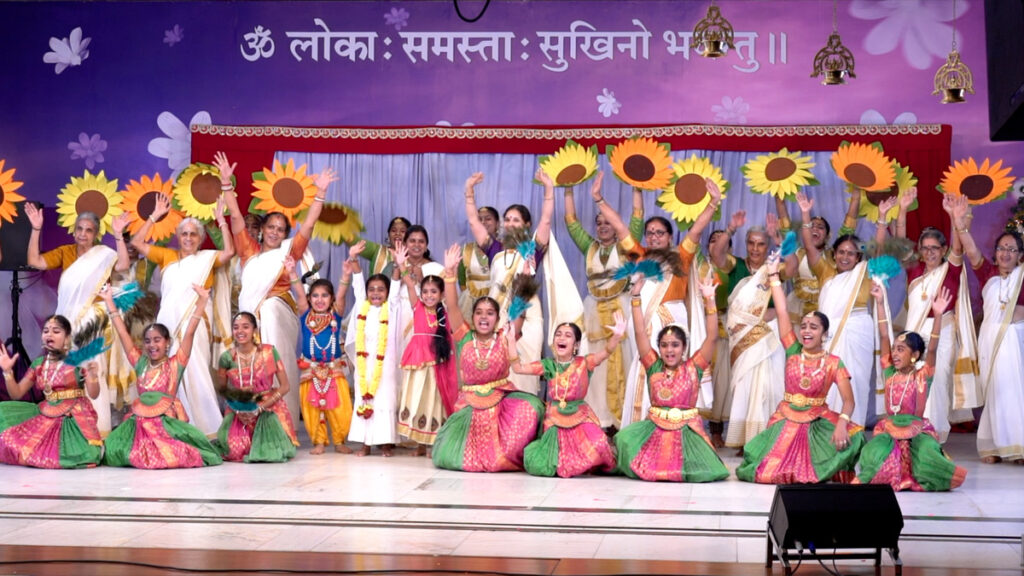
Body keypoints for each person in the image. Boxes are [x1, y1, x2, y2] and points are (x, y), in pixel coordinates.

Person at [216, 151, 336, 425]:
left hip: (279, 310)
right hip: (249, 320)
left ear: (285, 234)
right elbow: (235, 215)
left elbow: (308, 223)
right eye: (271, 227)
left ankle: (282, 422)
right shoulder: (249, 251)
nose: (274, 232)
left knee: (269, 309)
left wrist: (320, 193)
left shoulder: (288, 250)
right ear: (262, 230)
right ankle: (246, 419)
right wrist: (226, 184)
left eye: (281, 229)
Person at [595, 179, 718, 427]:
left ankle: (674, 426)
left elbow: (696, 230)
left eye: (659, 233)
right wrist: (598, 198)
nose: (653, 237)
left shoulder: (681, 256)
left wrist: (713, 203)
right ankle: (641, 429)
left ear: (670, 237)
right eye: (649, 233)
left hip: (672, 321)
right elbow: (619, 226)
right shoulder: (639, 256)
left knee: (673, 368)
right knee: (644, 369)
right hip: (644, 324)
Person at [737, 253, 864, 484]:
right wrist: (774, 274)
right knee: (764, 470)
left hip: (817, 421)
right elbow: (783, 312)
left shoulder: (834, 362)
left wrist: (842, 425)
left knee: (855, 438)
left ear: (824, 334)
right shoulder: (793, 350)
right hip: (786, 417)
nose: (806, 331)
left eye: (813, 327)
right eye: (804, 326)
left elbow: (849, 401)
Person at [127, 193, 234, 437]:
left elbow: (229, 251)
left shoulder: (207, 259)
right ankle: (171, 423)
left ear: (200, 239)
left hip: (195, 325)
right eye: (184, 234)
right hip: (167, 324)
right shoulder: (167, 256)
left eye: (193, 234)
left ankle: (206, 428)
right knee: (167, 373)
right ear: (178, 237)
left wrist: (221, 221)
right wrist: (154, 216)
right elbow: (136, 241)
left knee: (195, 371)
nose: (188, 238)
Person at [432, 244, 544, 472]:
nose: (484, 317)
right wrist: (450, 274)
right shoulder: (464, 336)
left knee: (533, 407)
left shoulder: (505, 336)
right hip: (470, 403)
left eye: (490, 313)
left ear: (497, 318)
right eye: (479, 313)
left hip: (501, 401)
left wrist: (524, 277)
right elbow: (452, 306)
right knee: (447, 456)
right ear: (472, 317)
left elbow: (518, 310)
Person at [614, 272, 729, 482]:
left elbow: (712, 337)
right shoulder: (653, 365)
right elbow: (640, 333)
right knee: (623, 441)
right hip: (655, 429)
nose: (669, 350)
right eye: (664, 345)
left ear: (684, 348)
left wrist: (710, 299)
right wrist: (636, 298)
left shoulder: (694, 367)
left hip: (687, 433)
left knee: (704, 470)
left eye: (675, 345)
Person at [25, 205, 129, 435]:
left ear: (96, 234)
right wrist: (35, 229)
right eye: (79, 229)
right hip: (66, 324)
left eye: (89, 230)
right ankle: (69, 427)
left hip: (91, 325)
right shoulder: (65, 252)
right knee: (67, 373)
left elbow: (123, 266)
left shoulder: (104, 256)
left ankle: (97, 429)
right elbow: (35, 261)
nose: (83, 234)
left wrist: (119, 236)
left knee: (91, 371)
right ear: (73, 231)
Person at [855, 283, 966, 490]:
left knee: (929, 458)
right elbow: (884, 336)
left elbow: (931, 348)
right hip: (889, 431)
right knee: (872, 455)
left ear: (914, 355)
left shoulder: (923, 376)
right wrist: (879, 302)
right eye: (894, 350)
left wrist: (938, 315)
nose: (894, 354)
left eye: (901, 350)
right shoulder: (889, 373)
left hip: (917, 432)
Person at [100, 284, 222, 469]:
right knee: (114, 451)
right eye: (147, 341)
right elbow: (123, 333)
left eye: (157, 340)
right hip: (139, 423)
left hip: (167, 423)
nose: (152, 345)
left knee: (182, 453)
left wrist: (202, 301)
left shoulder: (175, 364)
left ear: (167, 343)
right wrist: (109, 302)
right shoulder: (140, 362)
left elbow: (189, 332)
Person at [798, 191, 893, 425]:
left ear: (858, 256)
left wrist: (881, 218)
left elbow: (879, 249)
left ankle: (853, 432)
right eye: (841, 252)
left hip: (859, 330)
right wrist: (805, 214)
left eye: (851, 253)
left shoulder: (864, 272)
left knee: (857, 381)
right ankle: (825, 432)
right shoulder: (825, 272)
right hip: (829, 336)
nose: (845, 257)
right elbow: (810, 245)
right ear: (834, 254)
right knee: (827, 382)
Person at [893, 189, 978, 441]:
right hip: (915, 334)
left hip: (944, 332)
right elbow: (899, 244)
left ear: (943, 249)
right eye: (925, 248)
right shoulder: (915, 270)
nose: (929, 252)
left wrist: (954, 216)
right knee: (913, 380)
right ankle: (913, 431)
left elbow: (958, 246)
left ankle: (935, 436)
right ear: (919, 250)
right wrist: (903, 209)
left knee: (937, 380)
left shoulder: (950, 269)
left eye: (935, 248)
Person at [465, 169, 556, 396]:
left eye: (516, 220)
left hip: (526, 314)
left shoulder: (532, 249)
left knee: (524, 365)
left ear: (526, 225)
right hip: (496, 314)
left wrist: (549, 191)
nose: (510, 223)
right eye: (507, 219)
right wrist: (469, 192)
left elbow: (546, 219)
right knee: (498, 367)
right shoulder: (494, 247)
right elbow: (473, 220)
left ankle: (526, 416)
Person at [564, 171, 639, 429]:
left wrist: (639, 185)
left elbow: (636, 219)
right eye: (599, 223)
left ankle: (623, 424)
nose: (603, 226)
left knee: (625, 364)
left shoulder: (625, 247)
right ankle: (600, 421)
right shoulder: (590, 248)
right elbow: (571, 222)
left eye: (607, 221)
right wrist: (567, 188)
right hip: (594, 311)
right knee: (596, 366)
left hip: (622, 309)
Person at [510, 315, 626, 478]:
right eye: (558, 334)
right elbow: (518, 368)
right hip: (555, 418)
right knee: (543, 463)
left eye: (567, 335)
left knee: (599, 445)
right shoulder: (548, 365)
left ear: (576, 345)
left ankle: (579, 462)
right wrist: (510, 340)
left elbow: (606, 352)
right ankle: (572, 462)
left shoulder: (585, 363)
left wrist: (617, 336)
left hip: (580, 416)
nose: (561, 338)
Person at [953, 198, 1024, 464]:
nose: (1006, 253)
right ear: (995, 252)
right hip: (989, 340)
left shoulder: (1022, 277)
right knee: (993, 392)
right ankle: (992, 446)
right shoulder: (988, 274)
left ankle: (1016, 447)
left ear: (1020, 255)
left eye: (1012, 249)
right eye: (1002, 248)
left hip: (1015, 341)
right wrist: (959, 223)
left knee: (1013, 391)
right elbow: (970, 251)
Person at [0, 315, 103, 468]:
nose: (49, 334)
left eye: (56, 331)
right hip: (46, 413)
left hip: (73, 415)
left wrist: (93, 376)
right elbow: (16, 394)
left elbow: (94, 394)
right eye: (46, 331)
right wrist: (7, 372)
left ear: (67, 338)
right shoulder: (39, 365)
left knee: (82, 454)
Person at [284, 246, 355, 455]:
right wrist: (292, 273)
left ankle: (340, 440)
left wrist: (344, 276)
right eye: (315, 295)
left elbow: (342, 296)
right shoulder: (306, 315)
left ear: (331, 299)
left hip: (333, 369)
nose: (320, 299)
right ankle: (319, 442)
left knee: (340, 408)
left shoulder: (336, 315)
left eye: (325, 295)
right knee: (313, 409)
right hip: (310, 369)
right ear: (310, 298)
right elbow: (298, 293)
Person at [393, 242, 456, 455]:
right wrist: (402, 264)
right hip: (417, 359)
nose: (429, 295)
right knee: (417, 397)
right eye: (426, 291)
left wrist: (450, 270)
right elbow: (410, 284)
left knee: (433, 401)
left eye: (434, 292)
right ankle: (420, 444)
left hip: (436, 363)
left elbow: (450, 289)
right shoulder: (417, 305)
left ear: (441, 295)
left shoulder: (445, 311)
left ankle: (432, 443)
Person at [214, 312, 299, 463]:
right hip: (239, 409)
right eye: (236, 327)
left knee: (273, 449)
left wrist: (259, 408)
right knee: (235, 451)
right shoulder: (226, 358)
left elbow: (285, 386)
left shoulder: (269, 352)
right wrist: (238, 409)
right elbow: (222, 390)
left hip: (269, 406)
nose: (240, 331)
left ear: (254, 330)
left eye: (245, 327)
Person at [345, 260, 403, 457]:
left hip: (385, 363)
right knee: (364, 398)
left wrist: (398, 266)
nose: (376, 293)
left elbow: (396, 286)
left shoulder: (392, 308)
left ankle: (385, 443)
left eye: (381, 289)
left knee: (385, 400)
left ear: (387, 293)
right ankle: (366, 444)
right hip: (365, 363)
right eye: (372, 289)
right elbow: (357, 285)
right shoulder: (363, 306)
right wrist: (354, 260)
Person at [456, 204, 500, 322]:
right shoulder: (466, 250)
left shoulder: (504, 249)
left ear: (498, 224)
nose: (483, 222)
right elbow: (462, 280)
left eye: (488, 218)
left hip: (498, 303)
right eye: (479, 219)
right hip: (469, 306)